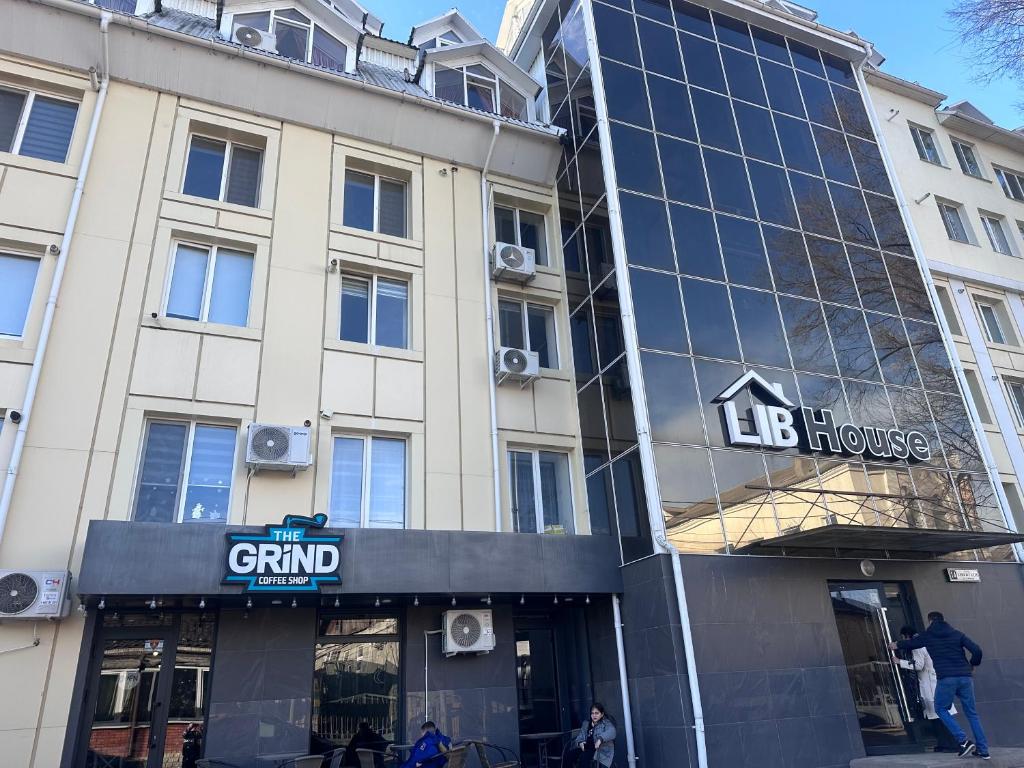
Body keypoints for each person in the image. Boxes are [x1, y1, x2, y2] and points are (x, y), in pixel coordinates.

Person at [890, 611, 989, 760]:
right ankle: (983, 750)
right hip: (965, 677)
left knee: (940, 709)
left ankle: (963, 741)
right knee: (972, 713)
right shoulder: (957, 634)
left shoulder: (929, 635)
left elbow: (912, 643)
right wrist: (973, 664)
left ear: (930, 621)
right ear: (944, 620)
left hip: (947, 678)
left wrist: (896, 645)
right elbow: (977, 650)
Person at [894, 626, 960, 753]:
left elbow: (918, 665)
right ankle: (946, 743)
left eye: (903, 638)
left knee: (939, 718)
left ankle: (951, 744)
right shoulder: (928, 641)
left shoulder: (918, 646)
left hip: (930, 686)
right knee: (942, 716)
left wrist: (899, 661)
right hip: (939, 682)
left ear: (907, 636)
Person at [569, 703, 617, 768]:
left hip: (599, 749)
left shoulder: (606, 723)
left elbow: (612, 731)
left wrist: (600, 739)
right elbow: (580, 737)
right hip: (586, 748)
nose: (594, 715)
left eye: (596, 713)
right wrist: (580, 743)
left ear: (602, 714)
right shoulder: (586, 723)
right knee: (569, 755)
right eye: (592, 713)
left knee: (584, 757)